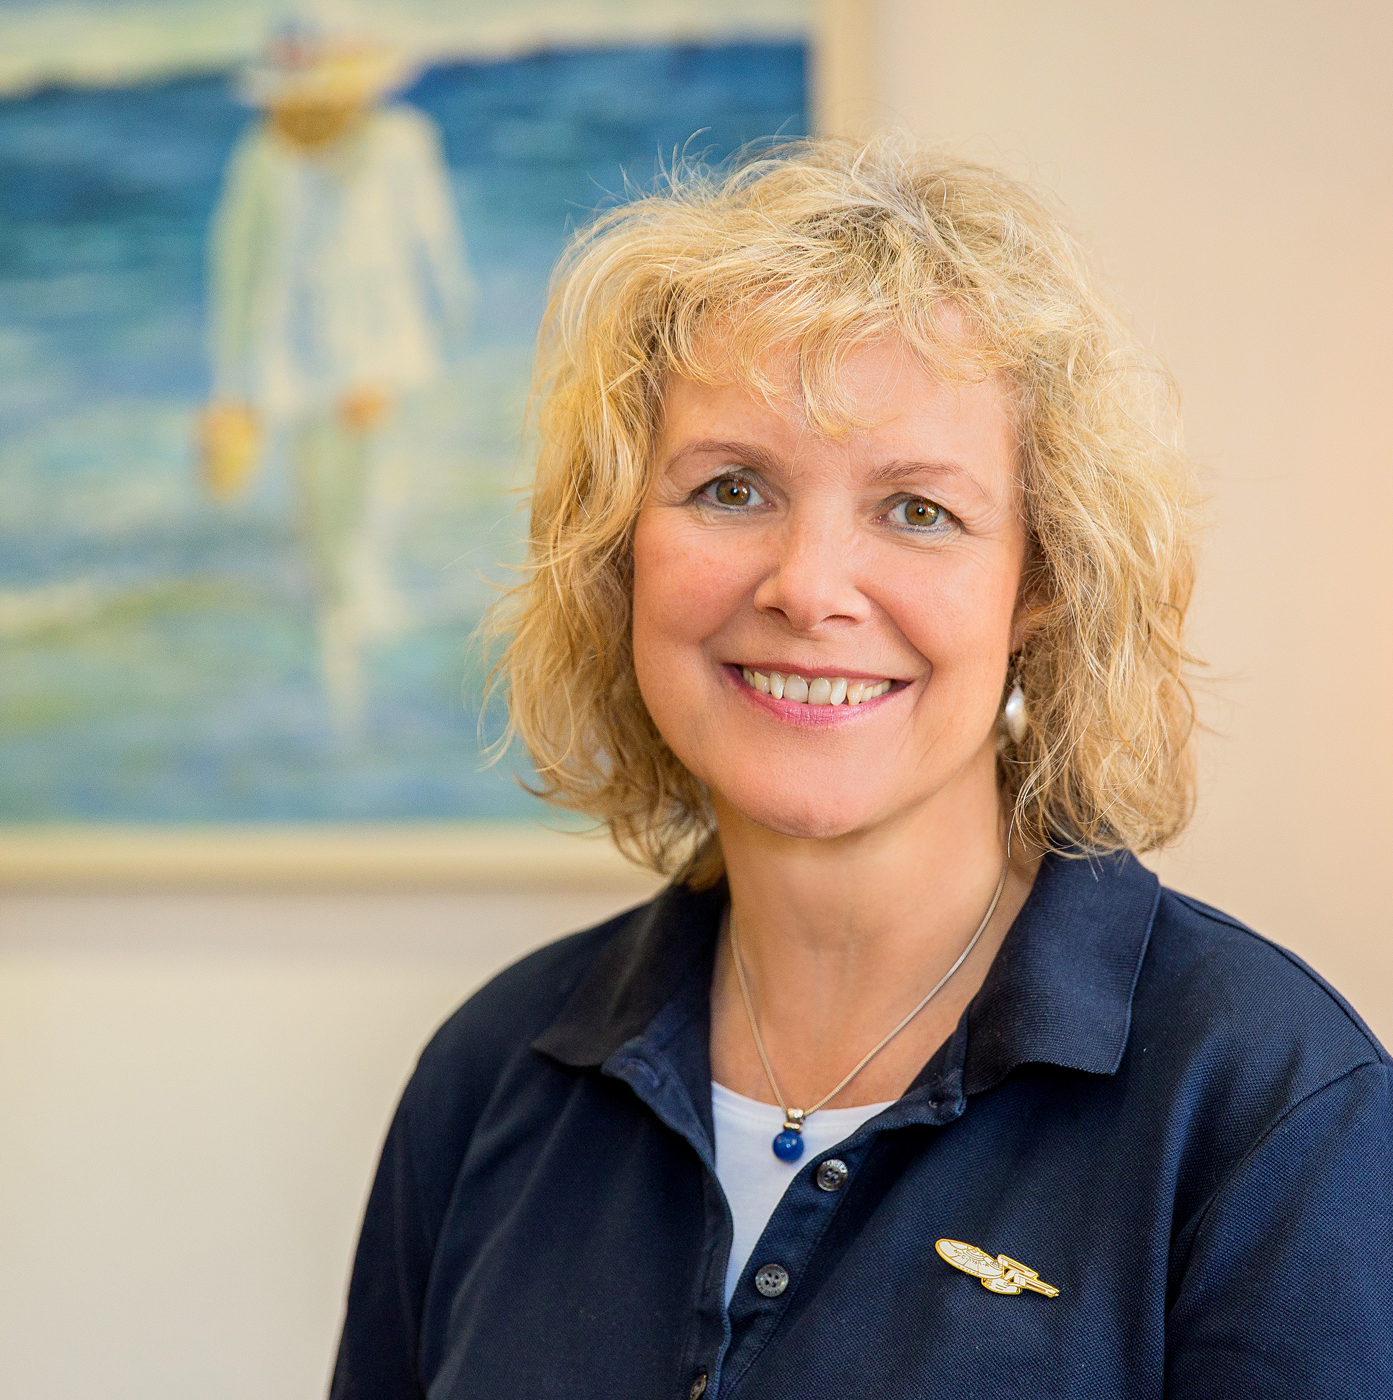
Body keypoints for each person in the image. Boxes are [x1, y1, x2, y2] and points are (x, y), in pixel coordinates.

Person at [330, 138, 1392, 1398]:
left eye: (916, 510)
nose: (808, 587)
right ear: (618, 551)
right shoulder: (489, 1073)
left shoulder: (1266, 1106)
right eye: (731, 489)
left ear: (1040, 586)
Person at [200, 14, 470, 736]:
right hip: (293, 363)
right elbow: (238, 268)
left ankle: (361, 652)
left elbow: (432, 245)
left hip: (377, 360)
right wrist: (232, 387)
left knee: (369, 505)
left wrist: (427, 340)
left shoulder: (401, 140)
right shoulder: (265, 154)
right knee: (316, 512)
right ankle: (338, 652)